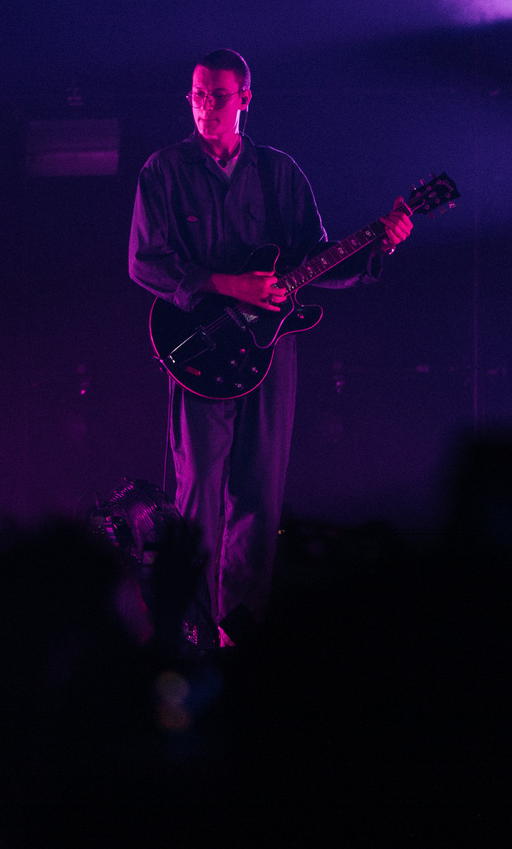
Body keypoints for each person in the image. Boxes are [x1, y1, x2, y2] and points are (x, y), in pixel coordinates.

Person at [129, 48, 413, 637]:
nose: (206, 107)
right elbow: (144, 262)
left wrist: (380, 245)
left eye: (218, 96)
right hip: (201, 349)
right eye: (198, 95)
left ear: (245, 99)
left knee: (261, 492)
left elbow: (317, 259)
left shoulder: (279, 172)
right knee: (198, 492)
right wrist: (223, 282)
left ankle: (242, 630)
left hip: (268, 351)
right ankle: (191, 629)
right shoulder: (164, 170)